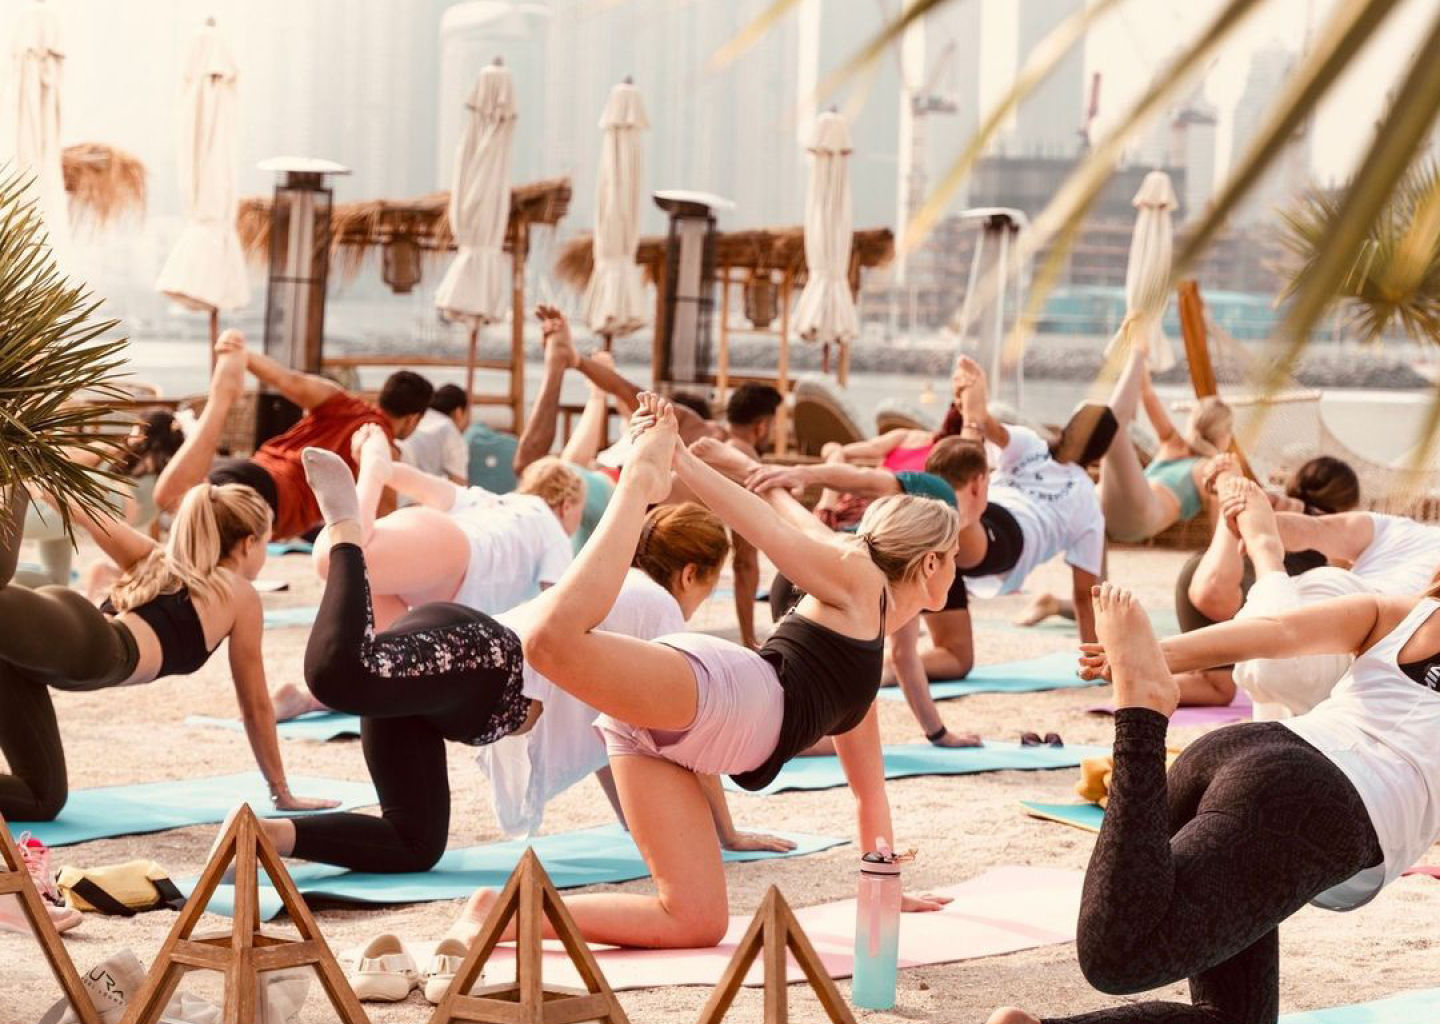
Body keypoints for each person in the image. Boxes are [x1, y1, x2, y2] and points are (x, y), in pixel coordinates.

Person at [300, 393, 956, 950]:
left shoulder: (862, 666)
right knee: (553, 644)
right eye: (953, 556)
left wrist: (884, 889)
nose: (958, 570)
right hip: (724, 696)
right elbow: (766, 529)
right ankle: (639, 483)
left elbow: (870, 795)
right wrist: (682, 463)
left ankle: (497, 916)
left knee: (695, 921)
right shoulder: (860, 578)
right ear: (928, 564)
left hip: (664, 743)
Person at [241, 497, 794, 877]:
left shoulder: (620, 593)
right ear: (693, 572)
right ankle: (345, 537)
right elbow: (686, 739)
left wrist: (640, 825)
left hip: (456, 675)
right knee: (341, 676)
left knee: (415, 843)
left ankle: (266, 836)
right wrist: (727, 832)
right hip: (482, 662)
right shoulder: (659, 605)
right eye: (710, 585)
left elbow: (618, 732)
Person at [987, 576, 1440, 1024]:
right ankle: (1140, 713)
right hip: (1311, 801)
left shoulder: (1405, 613)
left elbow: (1276, 632)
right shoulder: (1402, 612)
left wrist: (1155, 656)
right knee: (1120, 954)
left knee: (1234, 1017)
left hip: (1237, 752)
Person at [0, 482, 335, 937]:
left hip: (35, 661)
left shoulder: (159, 561)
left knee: (44, 798)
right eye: (268, 540)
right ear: (249, 542)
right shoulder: (236, 591)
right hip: (85, 644)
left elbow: (83, 509)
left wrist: (53, 487)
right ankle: (9, 462)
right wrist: (281, 790)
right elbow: (255, 704)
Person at [271, 431, 582, 720]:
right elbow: (557, 606)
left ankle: (311, 700)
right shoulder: (554, 530)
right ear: (567, 505)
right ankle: (367, 480)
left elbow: (424, 485)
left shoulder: (495, 501)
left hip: (437, 564)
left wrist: (390, 468)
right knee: (334, 555)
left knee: (382, 668)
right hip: (454, 555)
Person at [715, 435, 988, 745]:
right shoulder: (934, 501)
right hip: (812, 583)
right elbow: (863, 479)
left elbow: (903, 655)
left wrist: (938, 734)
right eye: (951, 555)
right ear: (979, 482)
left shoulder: (899, 574)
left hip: (807, 578)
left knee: (852, 694)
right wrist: (801, 474)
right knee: (804, 732)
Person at [154, 331, 433, 541]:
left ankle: (222, 397)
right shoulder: (379, 443)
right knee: (174, 501)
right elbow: (379, 523)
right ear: (413, 418)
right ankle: (221, 398)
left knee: (182, 513)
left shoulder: (342, 402)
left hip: (252, 469)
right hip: (272, 499)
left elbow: (287, 380)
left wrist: (243, 354)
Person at [1098, 343, 1232, 543]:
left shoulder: (1208, 466)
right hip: (1114, 512)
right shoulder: (1180, 447)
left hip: (1139, 515)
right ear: (1224, 435)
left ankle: (1137, 350)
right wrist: (1139, 336)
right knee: (1109, 429)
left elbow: (1218, 526)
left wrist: (1140, 352)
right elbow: (1146, 392)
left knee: (1111, 427)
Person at [400, 383, 470, 485]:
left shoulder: (418, 418)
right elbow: (459, 483)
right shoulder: (450, 431)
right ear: (459, 412)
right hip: (412, 492)